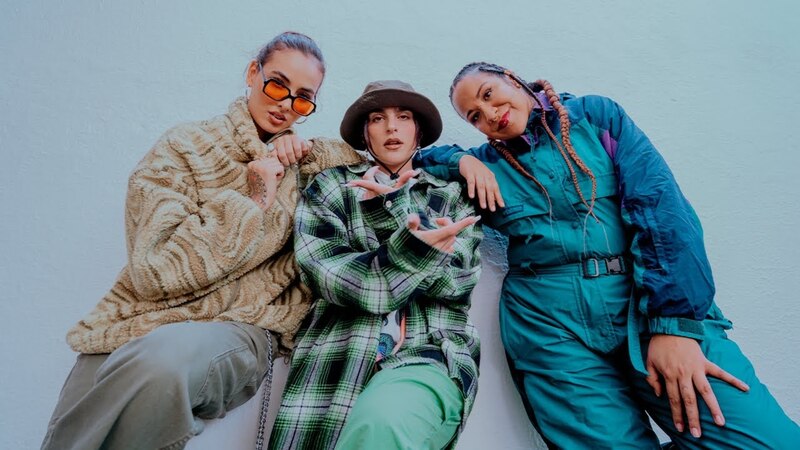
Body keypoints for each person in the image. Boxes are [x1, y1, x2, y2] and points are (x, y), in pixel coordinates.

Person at [416, 62, 800, 449]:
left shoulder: (595, 117)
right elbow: (415, 162)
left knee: (771, 442)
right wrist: (460, 160)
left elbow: (660, 209)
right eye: (474, 117)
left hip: (645, 305)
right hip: (549, 326)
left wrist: (674, 327)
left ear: (513, 79)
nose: (489, 114)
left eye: (487, 94)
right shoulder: (489, 164)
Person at [40, 32, 362, 450]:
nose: (286, 104)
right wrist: (253, 198)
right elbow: (157, 270)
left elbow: (380, 156)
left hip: (240, 326)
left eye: (302, 98)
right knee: (78, 417)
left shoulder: (305, 166)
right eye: (277, 84)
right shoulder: (185, 146)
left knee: (162, 363)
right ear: (252, 72)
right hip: (141, 318)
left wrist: (309, 151)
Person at [268, 80, 483, 450]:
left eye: (404, 117)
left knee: (381, 428)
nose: (391, 127)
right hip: (335, 356)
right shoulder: (332, 188)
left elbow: (456, 282)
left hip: (426, 353)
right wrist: (419, 251)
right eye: (377, 118)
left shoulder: (450, 197)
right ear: (365, 133)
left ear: (419, 132)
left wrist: (395, 210)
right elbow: (330, 276)